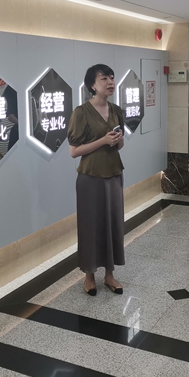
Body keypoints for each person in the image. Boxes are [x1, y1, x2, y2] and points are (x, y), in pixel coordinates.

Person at [67, 64, 126, 296]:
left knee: (113, 224)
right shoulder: (81, 112)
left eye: (112, 78)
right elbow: (74, 151)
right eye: (104, 79)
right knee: (90, 226)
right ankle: (89, 276)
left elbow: (120, 145)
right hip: (90, 178)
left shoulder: (116, 110)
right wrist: (103, 141)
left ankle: (110, 274)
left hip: (114, 174)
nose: (110, 82)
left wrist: (118, 140)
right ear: (92, 85)